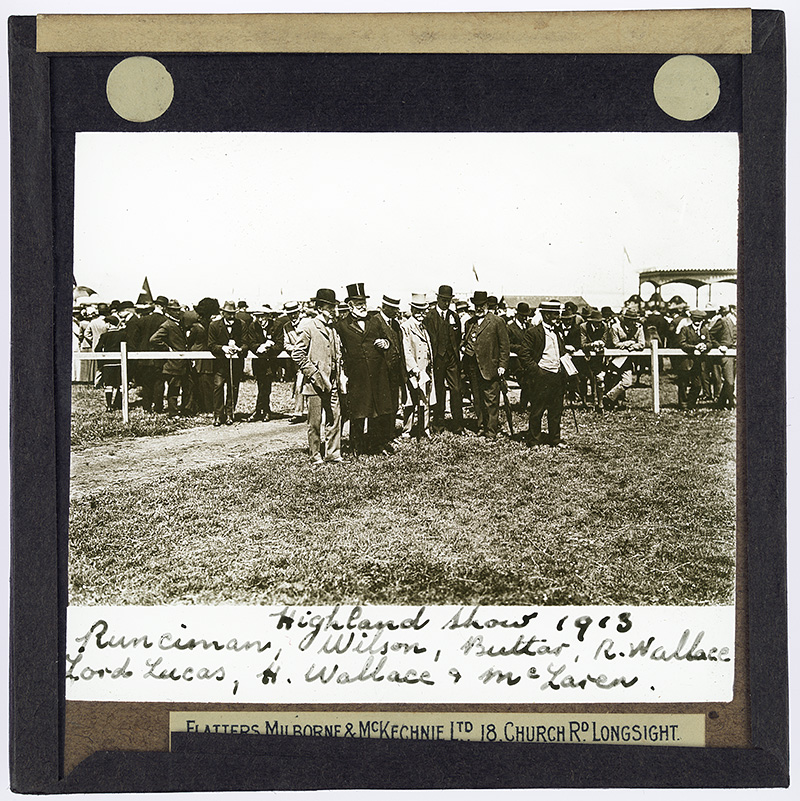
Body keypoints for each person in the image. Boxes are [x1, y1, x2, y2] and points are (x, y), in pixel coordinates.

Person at [292, 288, 344, 465]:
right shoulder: (309, 327)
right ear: (320, 308)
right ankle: (315, 455)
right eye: (330, 307)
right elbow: (297, 353)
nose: (333, 311)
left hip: (333, 381)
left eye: (334, 307)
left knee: (335, 418)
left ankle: (333, 454)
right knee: (315, 421)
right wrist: (313, 373)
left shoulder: (334, 328)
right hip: (315, 383)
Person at [461, 290, 509, 440]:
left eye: (482, 305)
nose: (479, 308)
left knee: (491, 400)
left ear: (487, 305)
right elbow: (466, 341)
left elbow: (504, 346)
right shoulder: (470, 323)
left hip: (490, 367)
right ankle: (481, 426)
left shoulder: (497, 322)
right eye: (476, 305)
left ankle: (491, 431)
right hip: (473, 368)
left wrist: (502, 365)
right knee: (477, 399)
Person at [518, 299, 567, 447]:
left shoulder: (558, 331)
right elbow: (524, 354)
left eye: (558, 314)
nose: (557, 317)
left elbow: (561, 351)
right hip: (541, 376)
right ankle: (534, 440)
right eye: (554, 314)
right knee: (537, 410)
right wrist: (537, 371)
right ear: (546, 315)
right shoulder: (533, 332)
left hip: (557, 375)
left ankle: (555, 439)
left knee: (556, 410)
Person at [423, 284, 464, 434]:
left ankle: (458, 425)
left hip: (452, 359)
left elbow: (457, 337)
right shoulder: (429, 317)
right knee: (439, 391)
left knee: (456, 390)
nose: (446, 303)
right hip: (437, 359)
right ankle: (438, 425)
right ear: (438, 299)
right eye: (444, 300)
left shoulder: (454, 316)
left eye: (449, 300)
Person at [401, 293, 436, 439]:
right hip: (414, 370)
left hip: (425, 368)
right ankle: (407, 430)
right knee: (410, 401)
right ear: (412, 310)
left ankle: (425, 428)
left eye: (423, 311)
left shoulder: (424, 326)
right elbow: (406, 350)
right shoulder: (406, 327)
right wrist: (414, 368)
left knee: (425, 400)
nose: (421, 314)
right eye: (418, 311)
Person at [208, 300, 247, 425]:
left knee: (233, 387)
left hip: (236, 364)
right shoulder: (214, 325)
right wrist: (223, 348)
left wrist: (240, 349)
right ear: (223, 313)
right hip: (220, 364)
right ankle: (218, 415)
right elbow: (211, 345)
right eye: (228, 313)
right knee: (218, 387)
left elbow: (245, 343)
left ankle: (230, 413)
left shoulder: (241, 324)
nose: (231, 316)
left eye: (233, 313)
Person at [149, 299, 188, 418]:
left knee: (179, 387)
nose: (177, 312)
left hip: (181, 361)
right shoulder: (167, 325)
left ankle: (180, 410)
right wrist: (167, 348)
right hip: (173, 362)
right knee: (174, 389)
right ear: (169, 311)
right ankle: (173, 412)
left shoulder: (178, 323)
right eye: (174, 310)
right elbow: (154, 339)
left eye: (178, 310)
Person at [247, 305, 284, 421]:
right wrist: (259, 347)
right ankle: (261, 410)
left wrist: (269, 348)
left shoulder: (276, 326)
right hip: (259, 361)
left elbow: (280, 344)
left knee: (266, 385)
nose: (260, 320)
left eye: (262, 317)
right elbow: (251, 343)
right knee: (261, 385)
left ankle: (263, 411)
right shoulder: (253, 326)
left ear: (268, 316)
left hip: (271, 361)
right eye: (257, 317)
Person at [603, 309, 645, 410]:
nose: (633, 322)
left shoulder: (639, 328)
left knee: (627, 382)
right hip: (614, 359)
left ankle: (609, 397)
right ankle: (613, 404)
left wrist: (630, 346)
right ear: (625, 319)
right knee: (612, 380)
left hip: (628, 360)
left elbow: (641, 344)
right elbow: (616, 344)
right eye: (631, 320)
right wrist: (631, 342)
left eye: (635, 320)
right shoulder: (615, 327)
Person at [677, 308, 712, 409]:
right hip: (686, 361)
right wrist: (694, 348)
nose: (697, 322)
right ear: (692, 319)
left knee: (697, 385)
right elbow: (682, 343)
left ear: (702, 320)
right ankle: (683, 404)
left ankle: (691, 403)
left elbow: (709, 342)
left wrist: (705, 346)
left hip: (698, 362)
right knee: (683, 383)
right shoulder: (686, 329)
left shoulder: (704, 330)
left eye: (699, 320)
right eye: (695, 319)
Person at [96, 314, 126, 410]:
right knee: (120, 385)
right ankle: (120, 404)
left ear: (109, 324)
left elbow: (97, 349)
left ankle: (109, 406)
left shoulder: (104, 336)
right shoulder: (123, 335)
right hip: (120, 363)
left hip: (108, 363)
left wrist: (101, 362)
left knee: (108, 385)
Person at [710, 305, 736, 409]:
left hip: (736, 353)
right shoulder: (723, 321)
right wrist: (719, 346)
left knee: (732, 380)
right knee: (729, 380)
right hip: (726, 354)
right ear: (732, 310)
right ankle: (731, 404)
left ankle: (721, 403)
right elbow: (710, 335)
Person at [506, 302, 531, 411]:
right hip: (515, 360)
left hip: (528, 359)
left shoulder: (529, 326)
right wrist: (519, 348)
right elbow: (507, 344)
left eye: (526, 316)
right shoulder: (510, 328)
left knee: (530, 381)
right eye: (522, 315)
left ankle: (524, 405)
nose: (525, 318)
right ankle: (522, 406)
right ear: (517, 314)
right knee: (524, 381)